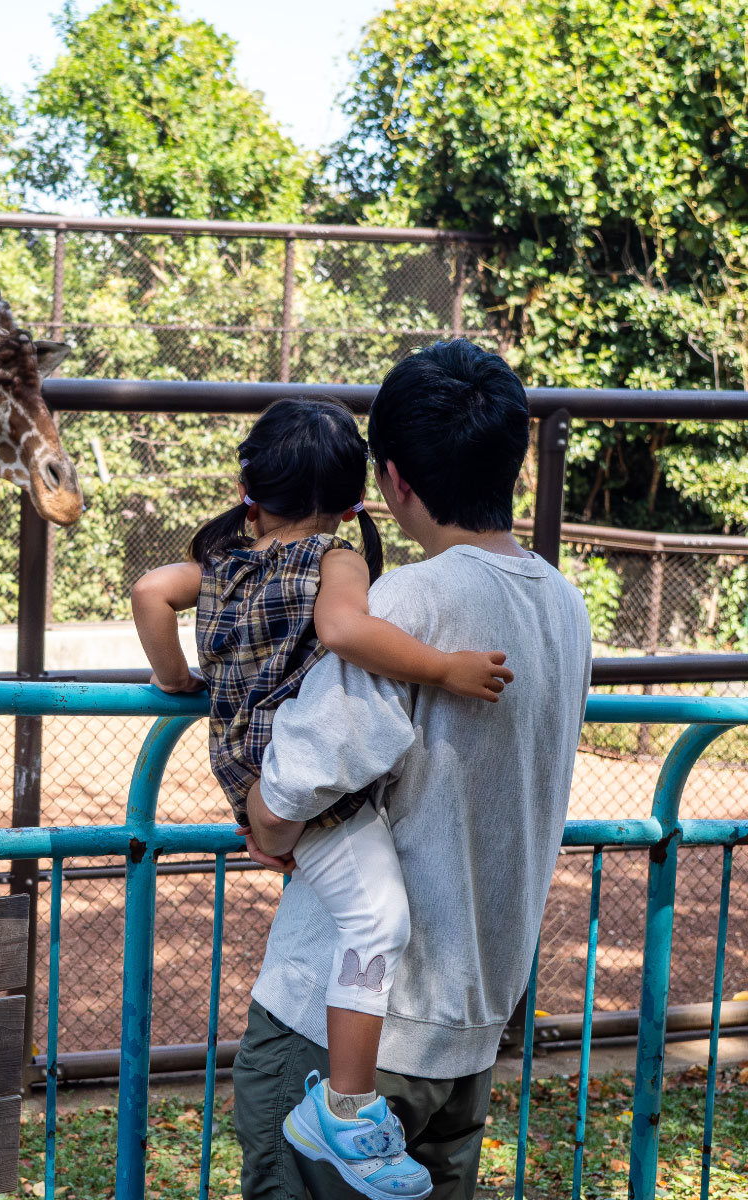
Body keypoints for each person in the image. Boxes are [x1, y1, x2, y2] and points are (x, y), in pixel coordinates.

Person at [230, 341, 592, 1200]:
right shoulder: (563, 604)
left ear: (392, 481)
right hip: (468, 1027)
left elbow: (290, 791)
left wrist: (262, 818)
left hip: (344, 1045)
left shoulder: (409, 603)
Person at [132, 394, 514, 1200]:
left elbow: (148, 592)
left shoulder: (224, 563)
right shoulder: (335, 560)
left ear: (249, 487)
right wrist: (444, 669)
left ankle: (342, 1102)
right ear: (355, 498)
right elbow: (344, 634)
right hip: (298, 785)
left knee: (358, 904)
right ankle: (342, 1105)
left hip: (242, 768)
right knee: (379, 920)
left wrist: (175, 681)